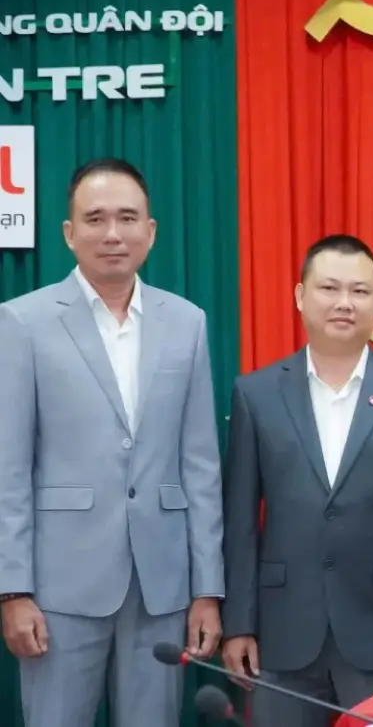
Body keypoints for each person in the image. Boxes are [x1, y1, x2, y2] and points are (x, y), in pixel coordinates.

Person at [0, 158, 224, 727]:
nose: (112, 233)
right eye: (95, 219)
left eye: (127, 218)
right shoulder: (23, 322)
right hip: (59, 587)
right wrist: (13, 590)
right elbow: (9, 467)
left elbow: (199, 465)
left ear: (150, 230)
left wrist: (208, 590)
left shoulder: (187, 323)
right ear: (69, 233)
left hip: (161, 587)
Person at [220, 235, 373, 726]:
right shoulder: (256, 394)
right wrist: (238, 622)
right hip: (282, 632)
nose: (345, 303)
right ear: (300, 296)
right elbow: (238, 520)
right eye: (329, 288)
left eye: (360, 291)